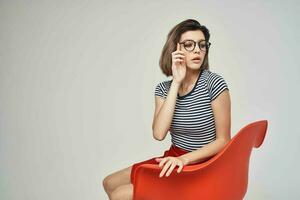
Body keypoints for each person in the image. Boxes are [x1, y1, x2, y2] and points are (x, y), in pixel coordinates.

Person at [102, 18, 231, 200]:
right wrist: (176, 82)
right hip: (174, 159)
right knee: (109, 182)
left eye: (202, 45)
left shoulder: (214, 83)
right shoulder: (163, 89)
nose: (197, 50)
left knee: (121, 195)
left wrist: (184, 160)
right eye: (189, 44)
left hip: (202, 165)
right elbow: (159, 133)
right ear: (175, 49)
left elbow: (223, 141)